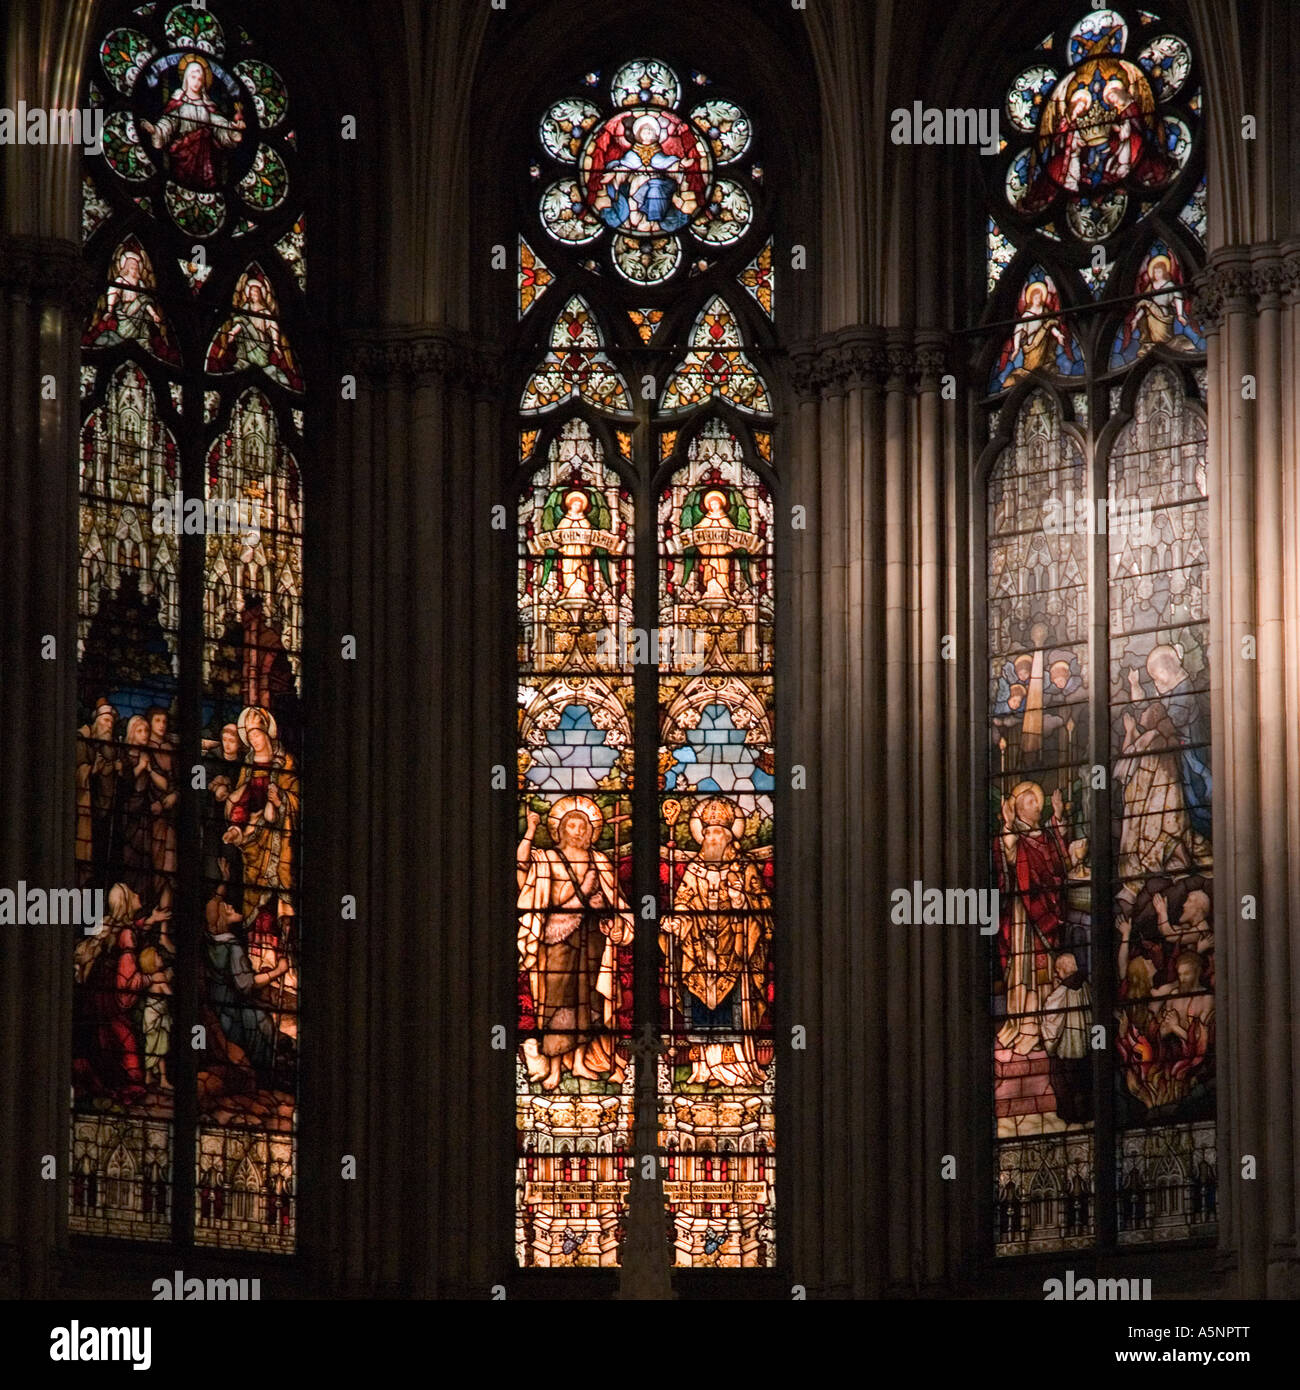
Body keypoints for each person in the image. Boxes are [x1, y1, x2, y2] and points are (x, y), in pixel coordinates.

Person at [517, 795, 634, 1089]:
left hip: (592, 939)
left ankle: (580, 1062)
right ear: (560, 830)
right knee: (556, 1003)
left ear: (592, 831)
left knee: (589, 1003)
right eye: (572, 825)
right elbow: (521, 867)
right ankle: (555, 1068)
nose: (579, 831)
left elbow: (616, 902)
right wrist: (530, 830)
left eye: (584, 826)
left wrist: (618, 925)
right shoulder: (548, 858)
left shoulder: (600, 862)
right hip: (556, 940)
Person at [659, 797, 769, 1086]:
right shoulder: (694, 870)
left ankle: (736, 1069)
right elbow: (683, 904)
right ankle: (704, 1068)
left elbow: (764, 911)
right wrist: (676, 922)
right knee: (700, 1007)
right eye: (707, 832)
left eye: (718, 832)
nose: (712, 837)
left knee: (732, 1010)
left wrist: (740, 900)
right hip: (698, 950)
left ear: (729, 836)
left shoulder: (744, 869)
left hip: (735, 950)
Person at [140, 56, 244, 189]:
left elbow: (219, 125)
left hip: (207, 159)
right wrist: (156, 130)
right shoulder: (177, 102)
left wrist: (232, 130)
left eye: (200, 79)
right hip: (184, 156)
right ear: (186, 78)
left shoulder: (208, 105)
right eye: (193, 77)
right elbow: (169, 122)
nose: (196, 82)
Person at [1039, 951, 1092, 1124]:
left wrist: (1049, 1044)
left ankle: (1069, 1116)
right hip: (1085, 1046)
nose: (1056, 973)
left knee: (1063, 1082)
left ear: (1062, 970)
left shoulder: (1060, 993)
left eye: (1057, 970)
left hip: (1067, 1049)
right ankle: (1086, 1114)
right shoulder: (1086, 986)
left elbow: (1052, 1021)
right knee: (1083, 1082)